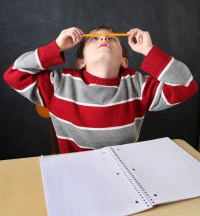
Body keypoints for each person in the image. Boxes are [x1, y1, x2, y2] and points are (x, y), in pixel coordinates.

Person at [3, 26, 198, 153]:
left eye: (112, 38)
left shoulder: (138, 85)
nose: (104, 38)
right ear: (80, 62)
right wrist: (55, 47)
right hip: (74, 171)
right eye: (94, 39)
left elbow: (186, 85)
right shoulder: (60, 83)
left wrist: (149, 51)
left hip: (125, 171)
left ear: (124, 61)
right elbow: (13, 74)